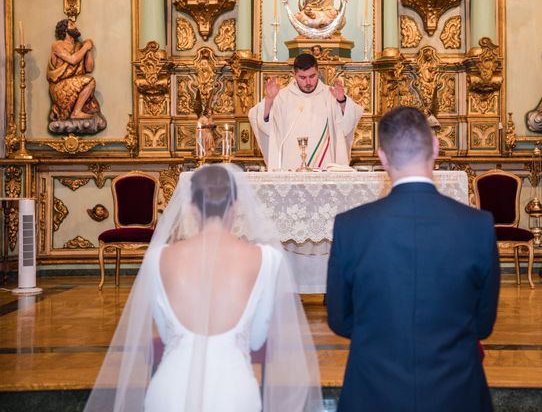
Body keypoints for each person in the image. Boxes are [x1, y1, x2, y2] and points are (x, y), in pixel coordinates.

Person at [84, 164, 323, 412]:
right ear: (236, 206)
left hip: (170, 391)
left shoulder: (158, 258)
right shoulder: (267, 259)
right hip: (234, 392)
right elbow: (256, 340)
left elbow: (166, 334)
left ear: (191, 207)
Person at [326, 106, 500, 412]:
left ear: (382, 157)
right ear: (435, 147)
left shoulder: (351, 226)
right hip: (457, 394)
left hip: (373, 393)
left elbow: (340, 320)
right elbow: (483, 325)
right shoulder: (478, 226)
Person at [249, 53, 363, 170]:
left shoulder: (330, 95)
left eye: (312, 76)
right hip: (291, 166)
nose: (308, 82)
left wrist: (342, 101)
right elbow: (264, 125)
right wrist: (269, 100)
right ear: (294, 74)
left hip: (324, 168)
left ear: (318, 72)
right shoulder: (282, 97)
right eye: (302, 78)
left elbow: (346, 126)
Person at [48, 19, 100, 122]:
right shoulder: (58, 45)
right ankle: (76, 112)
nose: (75, 26)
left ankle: (59, 110)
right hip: (60, 85)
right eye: (71, 24)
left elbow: (89, 68)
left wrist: (88, 50)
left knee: (94, 107)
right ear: (65, 30)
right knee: (91, 81)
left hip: (75, 83)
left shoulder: (79, 46)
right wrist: (85, 47)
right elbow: (73, 60)